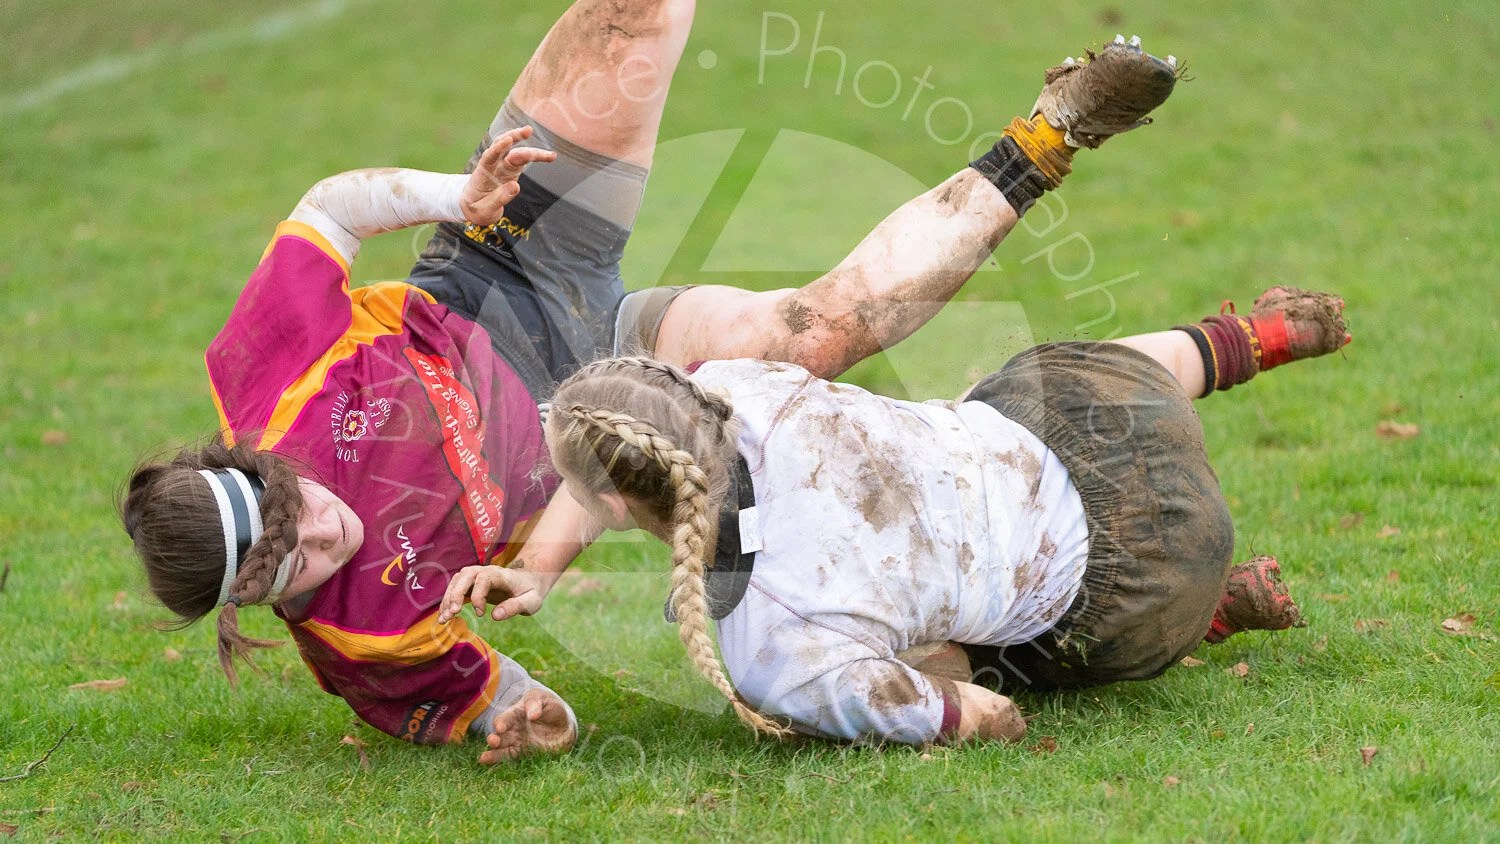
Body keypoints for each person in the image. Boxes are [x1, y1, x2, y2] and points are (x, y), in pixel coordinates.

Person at [119, 0, 1183, 763]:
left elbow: (330, 210)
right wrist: (531, 717)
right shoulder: (364, 644)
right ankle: (1051, 133)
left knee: (633, 14)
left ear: (257, 468)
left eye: (293, 514)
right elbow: (500, 701)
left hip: (498, 260)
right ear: (247, 605)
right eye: (282, 572)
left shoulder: (267, 372)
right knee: (810, 333)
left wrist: (462, 192)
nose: (322, 539)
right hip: (609, 415)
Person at [466, 288, 1350, 745]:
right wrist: (538, 569)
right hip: (1112, 417)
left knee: (963, 652)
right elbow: (636, 447)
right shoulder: (736, 384)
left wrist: (905, 693)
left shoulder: (764, 649)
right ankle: (1260, 337)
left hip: (1144, 588)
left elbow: (984, 719)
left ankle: (1218, 609)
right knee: (1011, 393)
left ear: (620, 507)